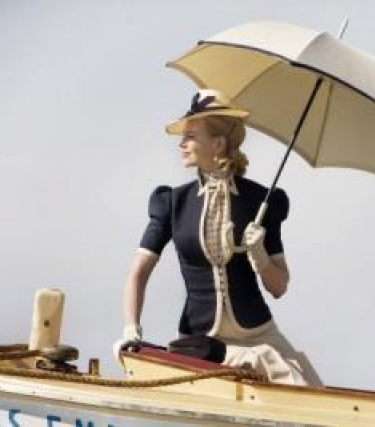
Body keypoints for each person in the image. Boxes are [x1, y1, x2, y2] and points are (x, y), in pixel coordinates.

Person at [114, 89, 322, 386]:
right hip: (200, 343)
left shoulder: (261, 201)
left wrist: (260, 256)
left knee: (306, 389)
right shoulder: (172, 202)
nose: (182, 144)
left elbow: (279, 287)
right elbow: (138, 273)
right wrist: (131, 330)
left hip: (260, 336)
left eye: (190, 136)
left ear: (218, 143)